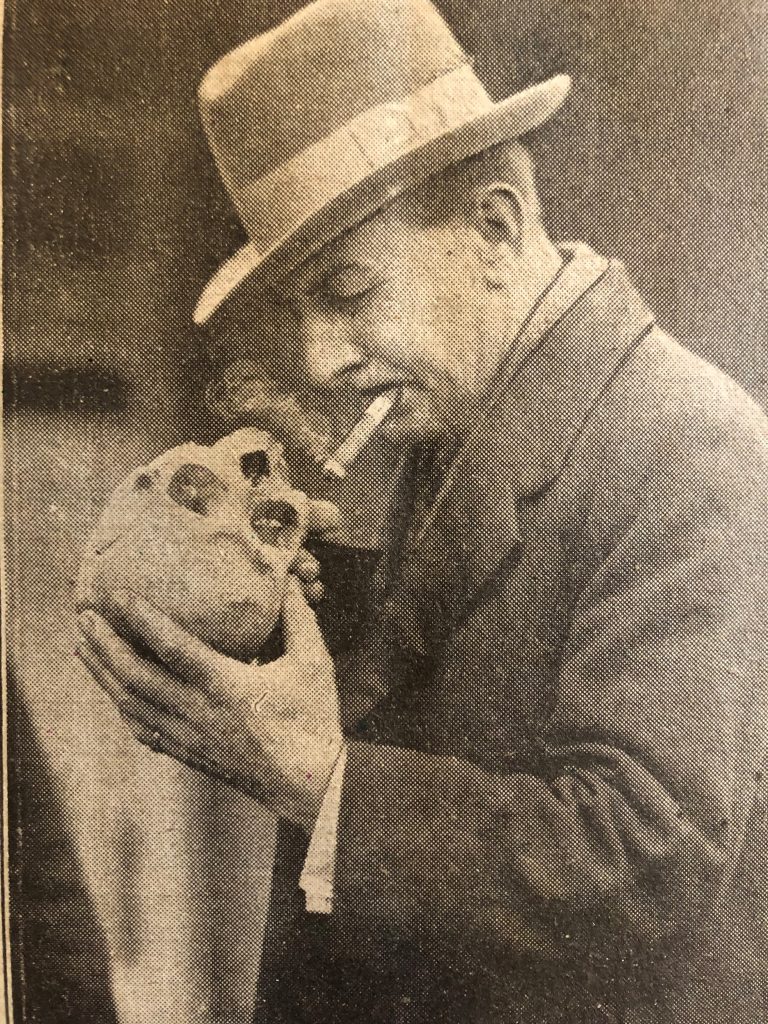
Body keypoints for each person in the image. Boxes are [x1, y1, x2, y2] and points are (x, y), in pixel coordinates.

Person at [76, 0, 768, 1021]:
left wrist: (322, 783)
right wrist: (301, 621)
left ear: (495, 226)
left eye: (348, 292)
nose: (320, 359)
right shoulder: (458, 424)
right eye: (303, 310)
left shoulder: (686, 440)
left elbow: (641, 852)